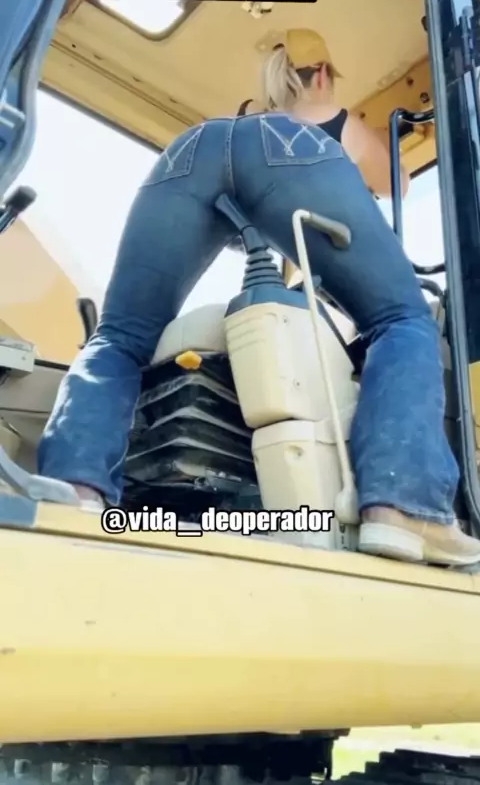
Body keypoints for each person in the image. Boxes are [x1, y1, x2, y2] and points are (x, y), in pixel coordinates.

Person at [37, 28, 480, 566]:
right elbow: (398, 182)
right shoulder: (330, 116)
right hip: (294, 154)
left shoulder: (251, 115)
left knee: (119, 336)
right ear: (322, 74)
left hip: (188, 151)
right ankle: (404, 504)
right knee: (401, 318)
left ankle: (72, 490)